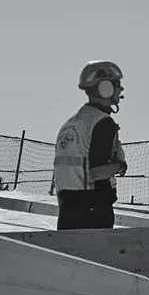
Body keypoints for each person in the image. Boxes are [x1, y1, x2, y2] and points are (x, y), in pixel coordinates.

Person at [53, 60, 128, 230]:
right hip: (93, 211)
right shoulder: (102, 123)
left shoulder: (71, 124)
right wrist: (119, 165)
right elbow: (97, 172)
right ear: (105, 88)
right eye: (117, 85)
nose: (121, 90)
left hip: (67, 211)